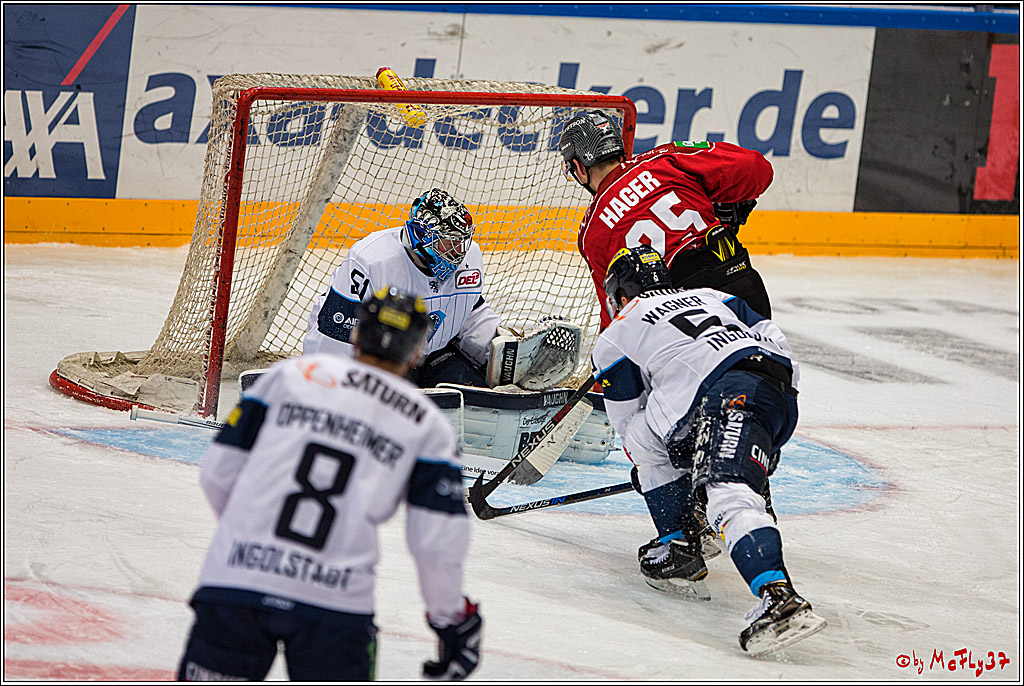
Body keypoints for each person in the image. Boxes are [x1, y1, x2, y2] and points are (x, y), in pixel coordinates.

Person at [178, 287, 483, 681]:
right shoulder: (427, 424)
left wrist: (251, 540)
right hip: (335, 604)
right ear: (416, 353)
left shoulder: (289, 377)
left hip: (236, 582)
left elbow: (218, 473)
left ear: (356, 336)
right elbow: (436, 541)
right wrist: (450, 618)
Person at [590, 245, 826, 657]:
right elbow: (772, 334)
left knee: (727, 492)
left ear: (622, 296)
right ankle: (683, 540)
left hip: (730, 394)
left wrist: (670, 470)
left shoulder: (619, 331)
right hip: (778, 393)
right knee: (696, 458)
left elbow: (629, 428)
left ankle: (778, 598)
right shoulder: (713, 296)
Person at [304, 188, 581, 391]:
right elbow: (335, 333)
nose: (457, 254)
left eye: (461, 243)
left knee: (475, 396)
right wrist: (332, 389)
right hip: (379, 362)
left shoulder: (470, 257)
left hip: (432, 356)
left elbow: (470, 313)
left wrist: (506, 356)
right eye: (448, 244)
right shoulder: (371, 260)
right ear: (421, 236)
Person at [559, 110, 775, 330]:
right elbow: (759, 170)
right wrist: (717, 199)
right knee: (766, 355)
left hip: (681, 315)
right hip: (739, 281)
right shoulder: (664, 159)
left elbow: (617, 319)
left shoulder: (591, 233)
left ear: (578, 167)